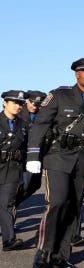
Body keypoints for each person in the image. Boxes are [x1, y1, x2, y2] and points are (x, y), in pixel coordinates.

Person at [26, 58, 84, 268]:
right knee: (57, 202)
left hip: (83, 160)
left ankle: (62, 255)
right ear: (77, 74)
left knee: (74, 207)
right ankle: (43, 253)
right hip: (58, 157)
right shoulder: (59, 95)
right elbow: (40, 125)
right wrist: (33, 156)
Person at [0, 90, 29, 251]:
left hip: (13, 169)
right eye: (15, 103)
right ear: (5, 103)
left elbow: (27, 147)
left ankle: (9, 240)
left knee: (6, 203)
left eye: (20, 103)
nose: (18, 106)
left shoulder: (24, 125)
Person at [14, 91, 46, 209]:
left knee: (35, 184)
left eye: (38, 104)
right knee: (19, 185)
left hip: (36, 156)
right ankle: (8, 208)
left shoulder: (44, 115)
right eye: (32, 103)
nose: (34, 106)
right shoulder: (18, 113)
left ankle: (11, 204)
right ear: (27, 100)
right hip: (19, 156)